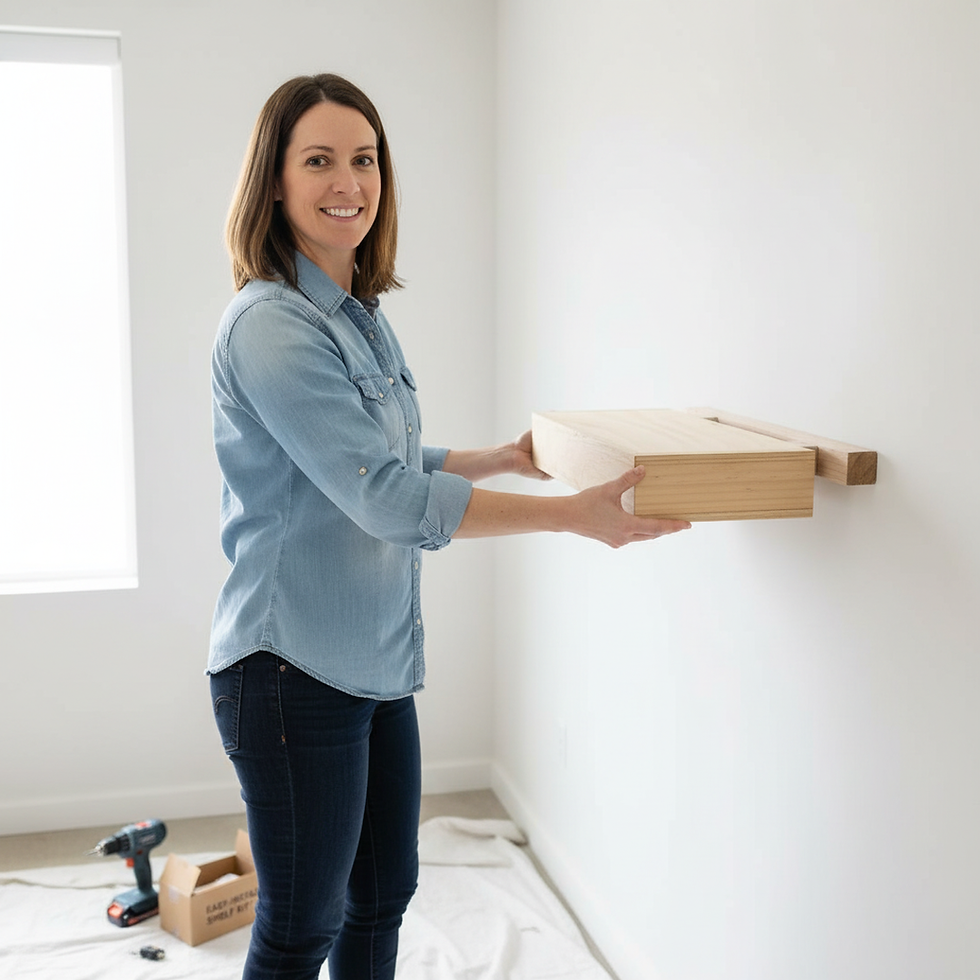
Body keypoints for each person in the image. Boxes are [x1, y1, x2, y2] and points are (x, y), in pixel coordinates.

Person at [208, 72, 690, 980]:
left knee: (382, 898)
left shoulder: (360, 316)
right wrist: (570, 518)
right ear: (274, 181)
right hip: (289, 670)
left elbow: (379, 461)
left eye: (364, 158)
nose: (347, 180)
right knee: (299, 926)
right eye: (318, 160)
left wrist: (495, 459)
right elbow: (385, 501)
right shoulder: (270, 327)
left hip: (375, 661)